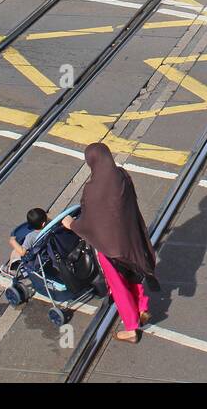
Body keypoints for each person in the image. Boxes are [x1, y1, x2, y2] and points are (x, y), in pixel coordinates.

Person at [64, 142, 158, 344]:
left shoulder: (92, 188)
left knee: (118, 285)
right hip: (130, 238)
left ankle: (131, 328)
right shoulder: (122, 175)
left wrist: (71, 225)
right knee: (133, 274)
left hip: (109, 247)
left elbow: (89, 221)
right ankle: (142, 307)